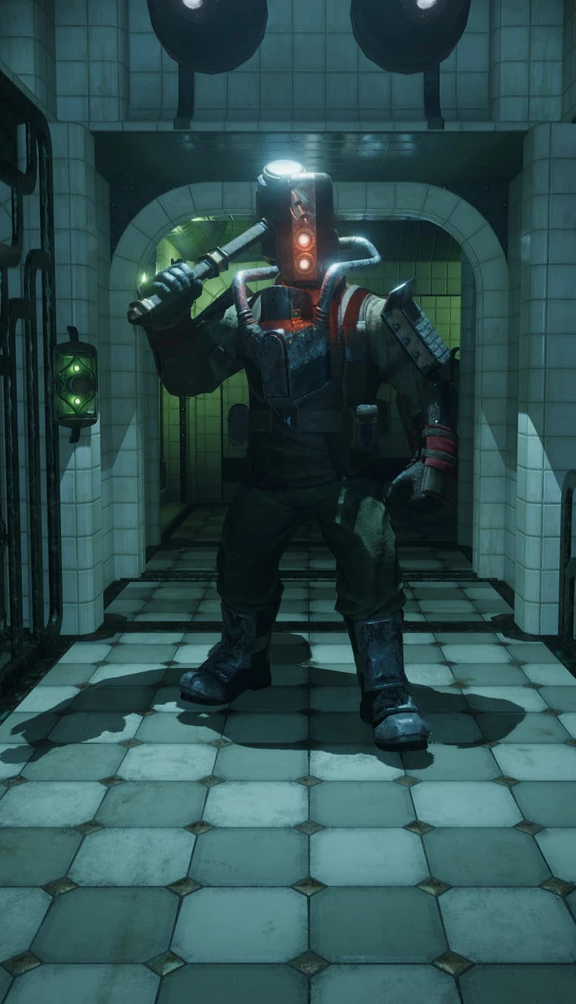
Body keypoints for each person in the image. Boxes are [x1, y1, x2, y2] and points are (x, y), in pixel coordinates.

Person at [132, 161, 459, 752]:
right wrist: (171, 323)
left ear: (327, 229)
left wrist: (432, 459)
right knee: (241, 563)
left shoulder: (370, 311)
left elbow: (428, 384)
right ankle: (242, 657)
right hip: (269, 474)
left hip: (346, 475)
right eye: (289, 223)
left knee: (373, 561)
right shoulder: (245, 309)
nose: (300, 237)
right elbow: (189, 380)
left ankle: (385, 685)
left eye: (309, 222)